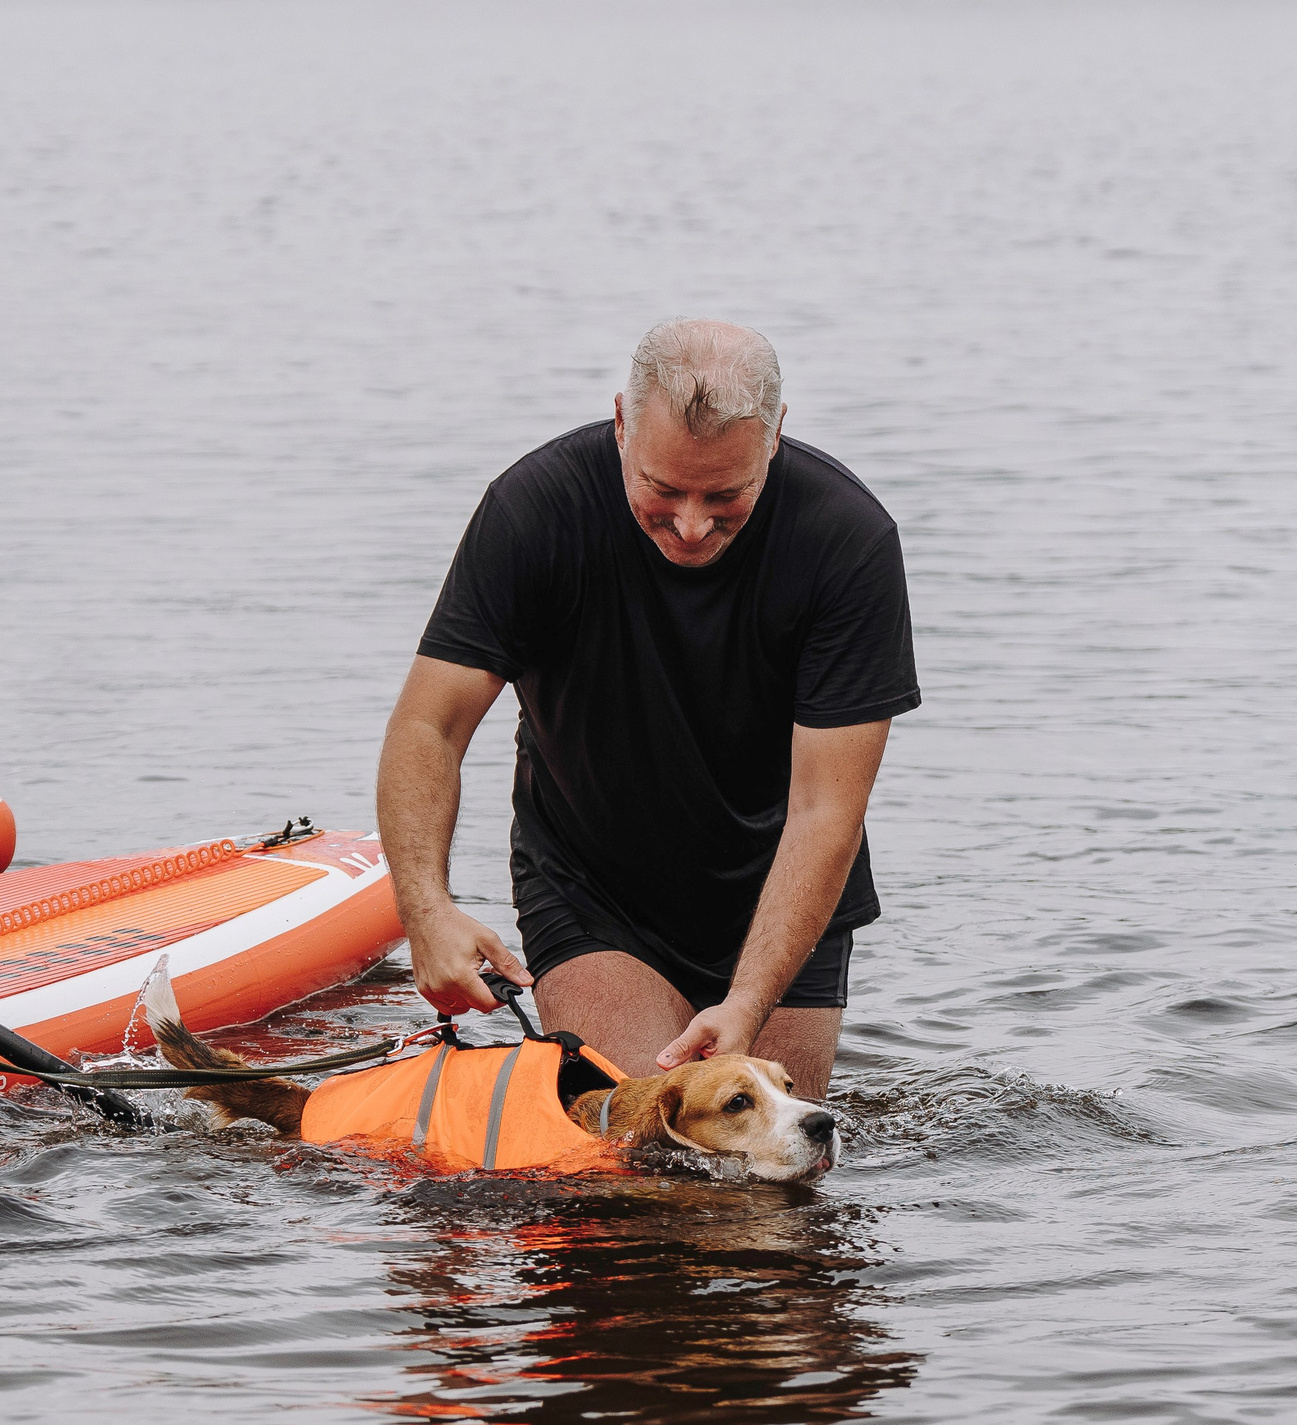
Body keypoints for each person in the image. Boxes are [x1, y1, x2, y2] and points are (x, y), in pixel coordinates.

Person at [377, 320, 919, 1099]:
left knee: (772, 1180)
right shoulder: (536, 511)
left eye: (726, 495)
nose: (692, 525)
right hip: (594, 889)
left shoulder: (847, 540)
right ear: (623, 426)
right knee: (648, 1150)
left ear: (775, 437)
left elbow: (825, 808)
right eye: (662, 490)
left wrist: (748, 999)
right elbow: (430, 725)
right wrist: (427, 911)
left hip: (781, 887)